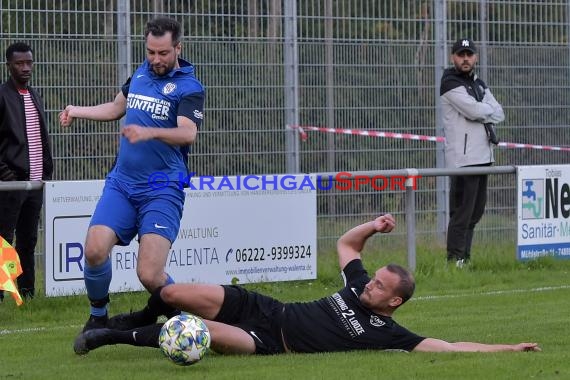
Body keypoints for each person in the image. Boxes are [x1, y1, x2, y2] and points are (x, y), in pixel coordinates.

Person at [74, 214, 540, 355]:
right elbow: (346, 245)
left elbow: (453, 347)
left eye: (379, 287)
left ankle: (109, 337)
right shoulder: (357, 286)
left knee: (198, 331)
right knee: (172, 293)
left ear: (394, 301)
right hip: (265, 307)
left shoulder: (389, 335)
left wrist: (508, 348)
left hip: (267, 341)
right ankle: (138, 316)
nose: (368, 285)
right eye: (372, 279)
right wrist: (373, 228)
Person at [58, 17, 205, 332]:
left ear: (178, 48)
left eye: (163, 53)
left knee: (149, 274)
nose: (155, 59)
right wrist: (76, 110)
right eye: (150, 52)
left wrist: (149, 132)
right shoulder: (140, 73)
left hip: (162, 187)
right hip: (122, 183)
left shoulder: (190, 87)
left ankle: (189, 324)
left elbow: (187, 134)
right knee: (95, 249)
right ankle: (99, 316)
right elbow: (115, 108)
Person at [440, 38, 505, 267]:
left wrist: (482, 111)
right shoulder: (450, 82)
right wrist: (484, 111)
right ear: (453, 58)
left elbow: (499, 113)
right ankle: (454, 260)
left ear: (475, 57)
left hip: (483, 157)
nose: (465, 58)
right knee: (461, 213)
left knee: (475, 213)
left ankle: (465, 260)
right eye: (461, 54)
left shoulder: (478, 83)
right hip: (464, 160)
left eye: (469, 54)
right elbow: (472, 110)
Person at [0, 42, 53, 301]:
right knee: (3, 241)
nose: (25, 68)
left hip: (35, 184)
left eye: (29, 63)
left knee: (28, 241)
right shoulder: (2, 96)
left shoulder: (35, 95)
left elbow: (40, 138)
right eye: (20, 63)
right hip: (10, 184)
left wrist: (45, 172)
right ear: (8, 65)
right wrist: (5, 174)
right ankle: (1, 294)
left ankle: (28, 295)